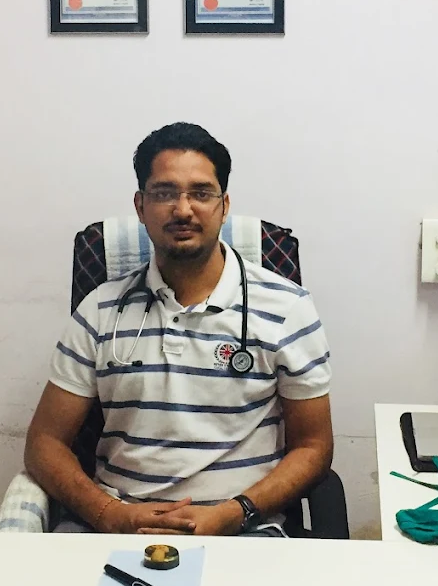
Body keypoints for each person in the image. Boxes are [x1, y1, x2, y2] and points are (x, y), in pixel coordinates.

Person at [25, 122, 334, 536]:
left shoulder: (287, 308)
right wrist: (109, 514)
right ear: (140, 206)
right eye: (164, 193)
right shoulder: (100, 310)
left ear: (224, 205)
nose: (183, 210)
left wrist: (233, 514)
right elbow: (44, 443)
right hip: (117, 526)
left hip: (244, 531)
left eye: (201, 193)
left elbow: (314, 447)